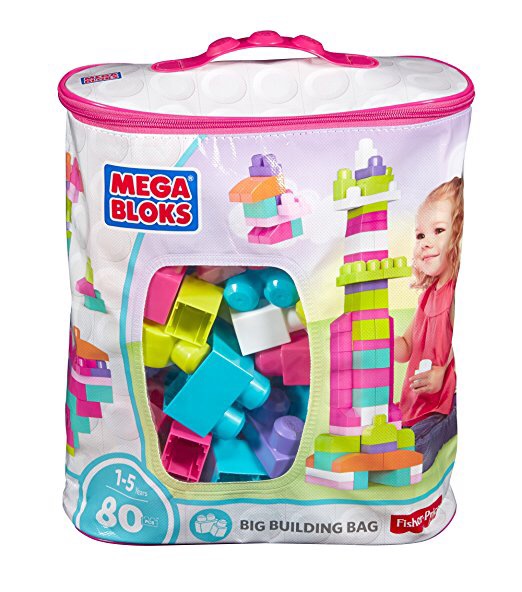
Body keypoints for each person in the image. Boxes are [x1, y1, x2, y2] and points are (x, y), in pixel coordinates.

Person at [394, 177, 463, 471]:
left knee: (418, 451)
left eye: (438, 230)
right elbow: (405, 348)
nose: (425, 242)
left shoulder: (457, 292)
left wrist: (443, 373)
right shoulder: (427, 296)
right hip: (418, 404)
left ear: (460, 234)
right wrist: (381, 339)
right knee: (391, 439)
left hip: (445, 402)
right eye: (420, 235)